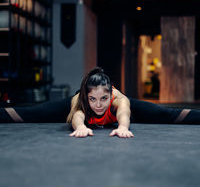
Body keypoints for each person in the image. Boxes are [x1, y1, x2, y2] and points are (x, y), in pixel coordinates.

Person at [0, 67, 200, 138]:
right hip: (75, 103)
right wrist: (79, 127)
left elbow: (124, 112)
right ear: (87, 97)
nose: (98, 105)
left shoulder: (118, 100)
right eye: (93, 99)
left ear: (110, 94)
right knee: (32, 114)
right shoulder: (81, 101)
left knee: (166, 114)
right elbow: (77, 114)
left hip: (120, 104)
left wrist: (122, 127)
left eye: (103, 99)